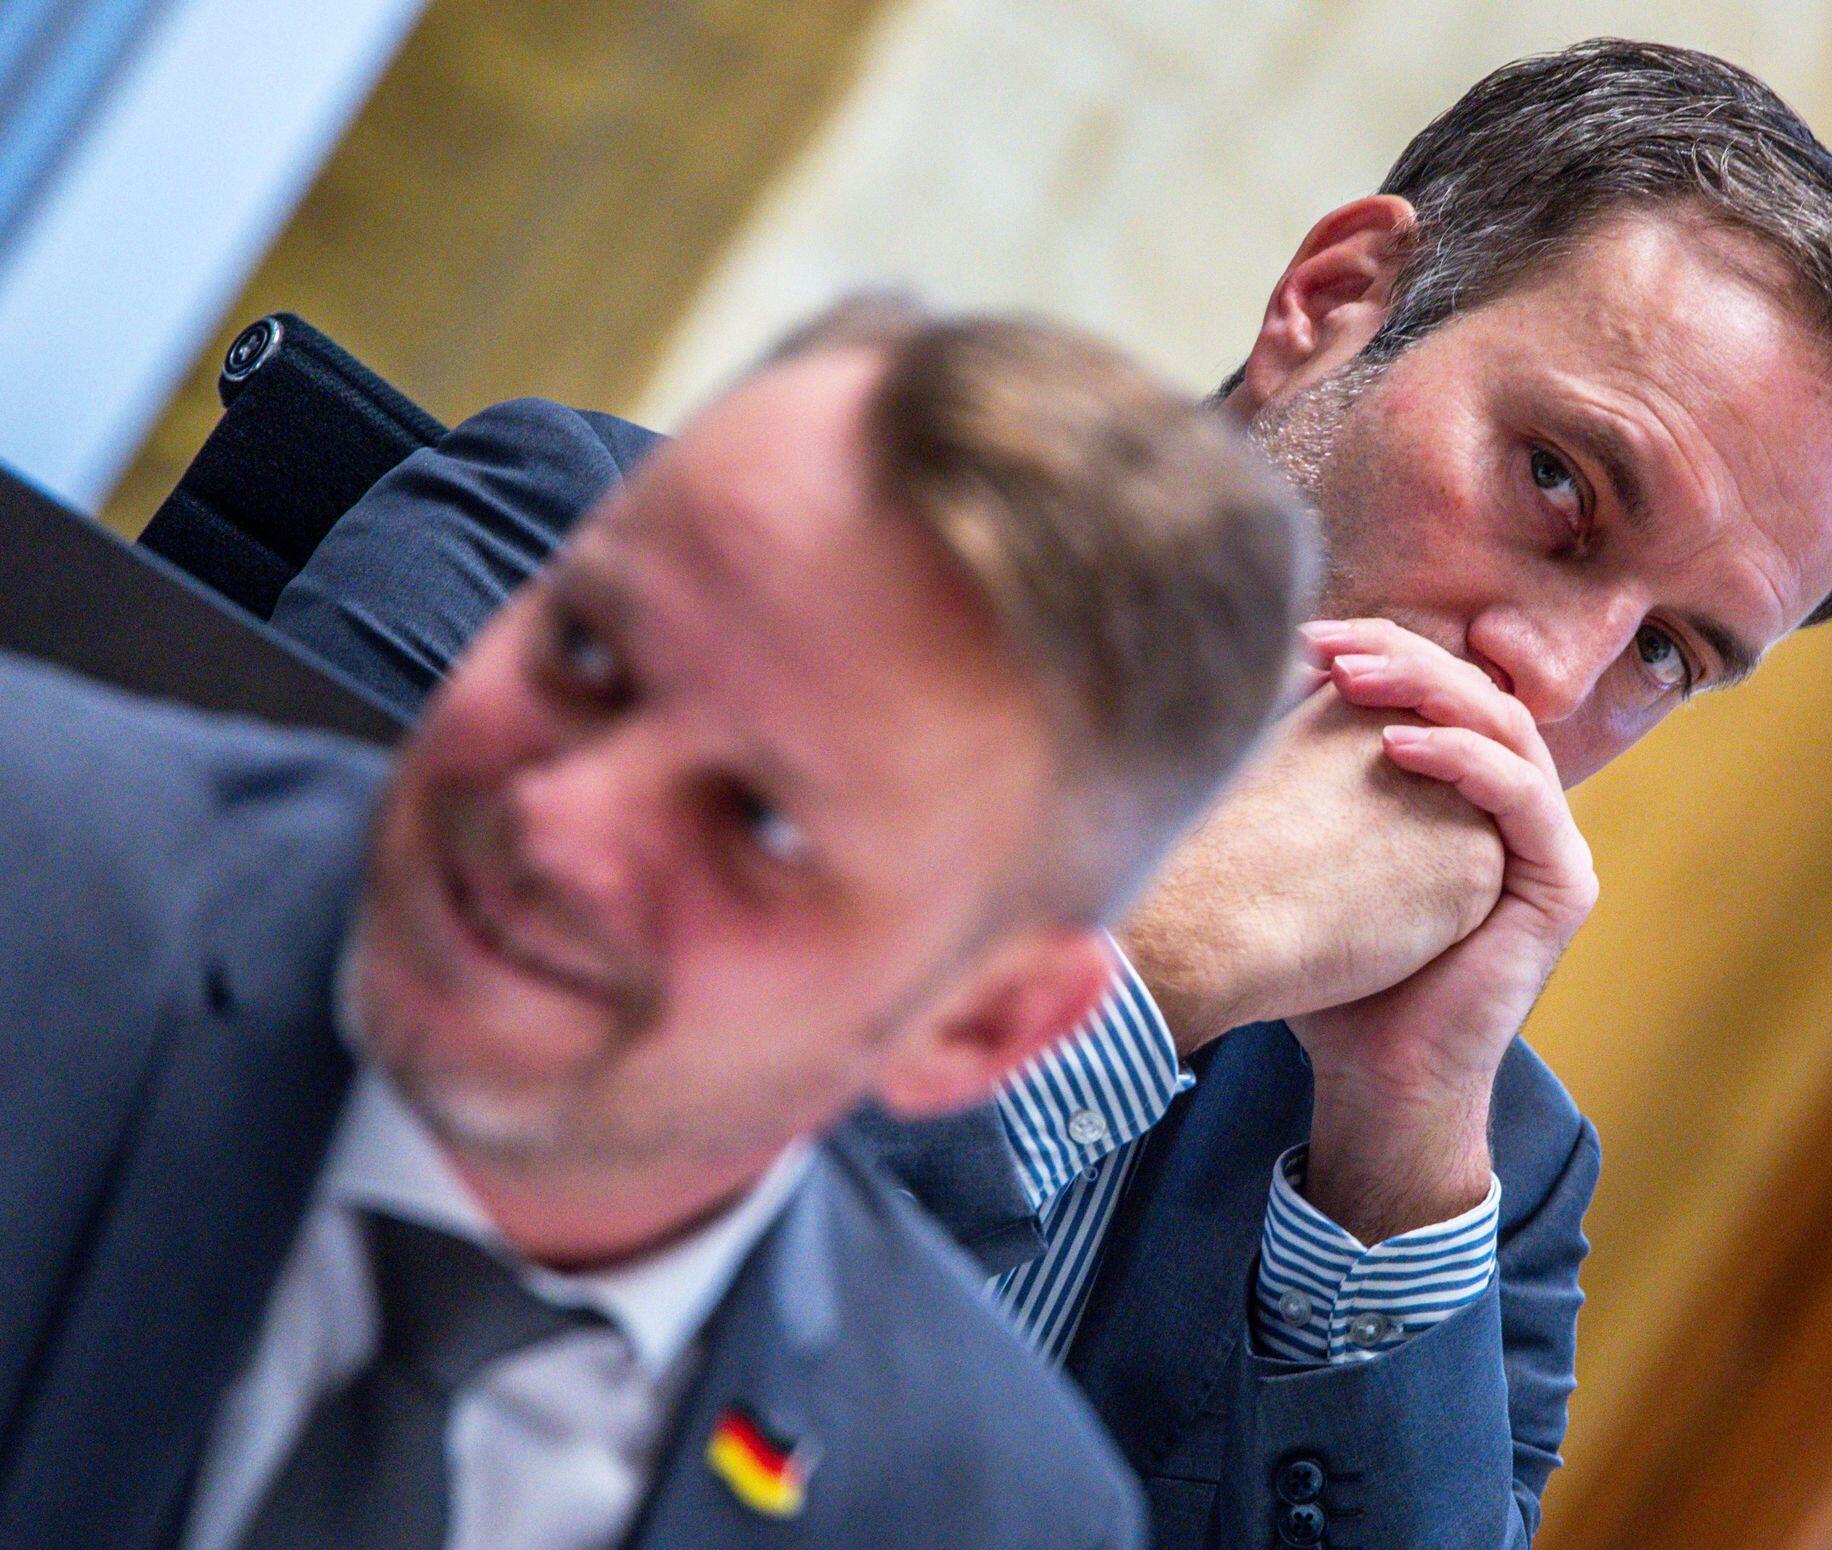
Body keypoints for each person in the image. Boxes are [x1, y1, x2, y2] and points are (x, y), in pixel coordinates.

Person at [263, 39, 1832, 1550]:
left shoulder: (1482, 1170)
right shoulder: (594, 591)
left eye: (1668, 650)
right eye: (1557, 483)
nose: (1549, 672)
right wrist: (1149, 968)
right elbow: (337, 1189)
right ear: (1335, 304)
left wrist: (1391, 1153)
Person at [0, 310, 1325, 1549]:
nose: (557, 821)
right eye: (586, 655)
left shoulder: (982, 1503)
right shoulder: (31, 878)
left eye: (760, 824)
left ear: (977, 1023)